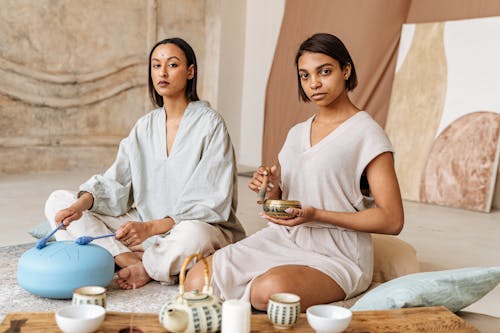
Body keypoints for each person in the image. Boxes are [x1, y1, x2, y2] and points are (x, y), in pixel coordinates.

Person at [185, 33, 404, 311]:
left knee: (268, 291)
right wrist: (269, 188)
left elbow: (393, 219)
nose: (314, 83)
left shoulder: (368, 134)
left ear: (346, 70)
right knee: (196, 280)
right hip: (283, 238)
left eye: (324, 71)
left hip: (337, 255)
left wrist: (317, 215)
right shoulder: (296, 133)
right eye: (305, 75)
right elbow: (280, 198)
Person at [45, 37, 245, 289]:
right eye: (155, 65)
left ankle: (146, 265)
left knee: (195, 235)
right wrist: (80, 204)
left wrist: (151, 228)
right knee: (58, 201)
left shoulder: (210, 124)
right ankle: (129, 259)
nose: (162, 72)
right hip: (144, 228)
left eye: (172, 65)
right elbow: (115, 182)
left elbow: (210, 200)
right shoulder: (145, 126)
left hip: (189, 228)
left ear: (190, 71)